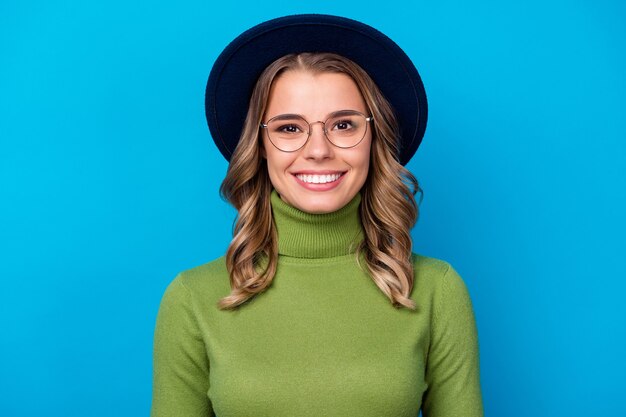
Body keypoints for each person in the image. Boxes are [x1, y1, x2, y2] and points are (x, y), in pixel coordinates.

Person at [151, 14, 483, 417]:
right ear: (259, 146)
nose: (319, 149)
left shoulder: (436, 291)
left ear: (374, 139)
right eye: (289, 128)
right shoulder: (193, 299)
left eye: (343, 125)